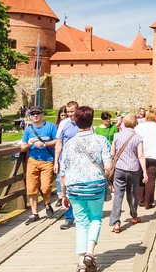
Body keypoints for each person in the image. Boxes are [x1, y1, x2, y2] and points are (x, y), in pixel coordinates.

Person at [60, 106, 111, 272]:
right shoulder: (101, 141)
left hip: (74, 187)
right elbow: (108, 166)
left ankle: (81, 263)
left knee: (81, 223)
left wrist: (63, 194)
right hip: (95, 186)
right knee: (95, 218)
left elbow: (63, 172)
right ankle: (90, 253)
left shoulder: (69, 144)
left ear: (75, 121)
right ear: (92, 120)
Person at [109, 113, 148, 233]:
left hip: (120, 169)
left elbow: (112, 154)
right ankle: (134, 215)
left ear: (124, 123)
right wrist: (145, 172)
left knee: (118, 195)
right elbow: (141, 156)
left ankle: (116, 222)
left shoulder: (116, 136)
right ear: (135, 124)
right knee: (132, 194)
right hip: (133, 169)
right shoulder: (138, 138)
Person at [20, 106, 57, 225]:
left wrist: (45, 144)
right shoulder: (28, 129)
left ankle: (47, 203)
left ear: (42, 114)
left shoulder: (50, 126)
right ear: (30, 116)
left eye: (37, 113)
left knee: (46, 187)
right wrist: (28, 144)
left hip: (47, 160)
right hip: (33, 160)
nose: (35, 116)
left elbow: (57, 141)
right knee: (31, 188)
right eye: (33, 114)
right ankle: (34, 213)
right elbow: (23, 147)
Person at [54, 100, 79, 229]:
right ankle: (69, 217)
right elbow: (59, 143)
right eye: (68, 112)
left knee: (79, 188)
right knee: (66, 188)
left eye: (72, 111)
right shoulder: (64, 123)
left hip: (80, 161)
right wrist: (56, 161)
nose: (70, 114)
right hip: (66, 160)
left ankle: (80, 215)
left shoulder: (83, 122)